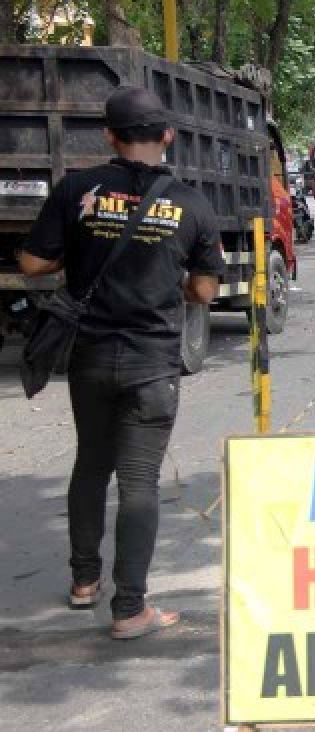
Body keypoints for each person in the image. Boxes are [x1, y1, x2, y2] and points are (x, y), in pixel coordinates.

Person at [17, 86, 222, 639]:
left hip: (89, 357)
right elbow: (203, 291)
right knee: (139, 482)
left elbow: (34, 262)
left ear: (108, 135)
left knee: (91, 464)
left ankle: (85, 582)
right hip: (153, 363)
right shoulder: (191, 204)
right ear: (169, 136)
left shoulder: (77, 190)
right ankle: (130, 608)